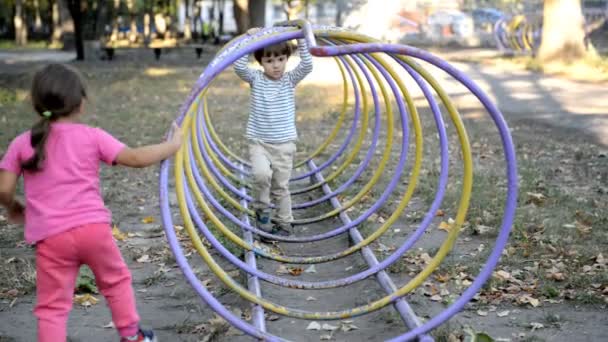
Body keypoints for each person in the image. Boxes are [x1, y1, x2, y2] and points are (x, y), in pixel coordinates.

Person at [0, 63, 183, 342]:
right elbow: (134, 158)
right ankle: (131, 335)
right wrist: (171, 146)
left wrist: (14, 206)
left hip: (51, 238)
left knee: (52, 307)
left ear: (36, 104)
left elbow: (4, 189)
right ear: (80, 104)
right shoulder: (92, 136)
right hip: (93, 231)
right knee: (116, 281)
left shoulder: (22, 143)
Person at [233, 28, 313, 238]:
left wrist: (300, 38)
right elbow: (239, 65)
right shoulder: (256, 79)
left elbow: (307, 64)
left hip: (284, 143)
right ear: (260, 63)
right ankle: (262, 210)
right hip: (259, 142)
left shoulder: (289, 80)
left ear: (287, 58)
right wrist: (250, 38)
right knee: (260, 176)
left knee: (280, 185)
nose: (276, 65)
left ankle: (285, 222)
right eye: (269, 61)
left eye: (280, 59)